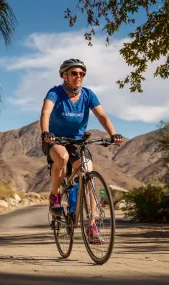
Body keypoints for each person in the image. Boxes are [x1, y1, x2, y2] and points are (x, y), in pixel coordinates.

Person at [40, 58, 123, 244]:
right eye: (74, 73)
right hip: (55, 139)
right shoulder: (55, 92)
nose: (79, 76)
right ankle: (55, 196)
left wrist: (113, 134)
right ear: (65, 75)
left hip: (77, 141)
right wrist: (46, 132)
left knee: (88, 176)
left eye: (82, 74)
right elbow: (45, 112)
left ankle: (92, 225)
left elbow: (102, 115)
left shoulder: (88, 94)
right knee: (62, 157)